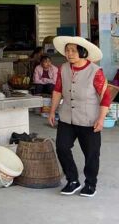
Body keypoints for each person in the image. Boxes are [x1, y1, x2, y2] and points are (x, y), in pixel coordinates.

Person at [48, 36, 112, 198]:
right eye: (67, 50)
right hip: (67, 117)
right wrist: (52, 111)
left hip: (89, 118)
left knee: (91, 153)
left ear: (83, 52)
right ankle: (73, 180)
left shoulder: (95, 72)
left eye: (73, 50)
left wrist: (101, 119)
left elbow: (105, 96)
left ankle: (90, 184)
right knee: (62, 147)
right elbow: (57, 90)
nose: (69, 54)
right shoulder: (63, 68)